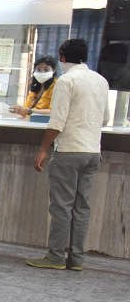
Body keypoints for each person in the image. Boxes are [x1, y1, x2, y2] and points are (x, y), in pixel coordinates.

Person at [26, 38, 111, 271]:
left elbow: (57, 121)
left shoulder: (66, 81)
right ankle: (76, 259)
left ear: (62, 57)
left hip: (69, 151)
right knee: (82, 207)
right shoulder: (101, 81)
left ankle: (55, 257)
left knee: (62, 206)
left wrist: (43, 148)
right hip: (93, 152)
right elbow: (105, 118)